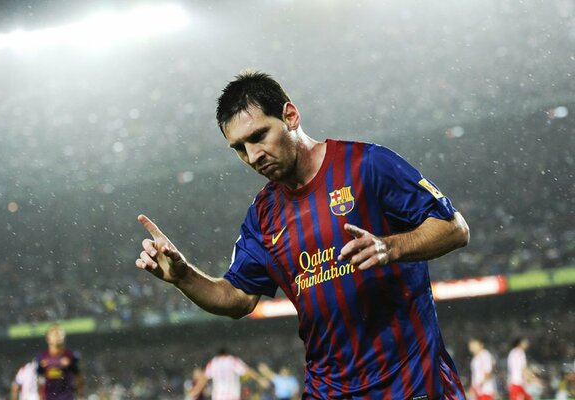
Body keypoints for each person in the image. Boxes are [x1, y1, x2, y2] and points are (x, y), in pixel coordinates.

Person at [135, 70, 470, 399]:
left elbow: (454, 228)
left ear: (290, 116)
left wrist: (391, 246)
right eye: (239, 148)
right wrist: (183, 276)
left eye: (258, 136)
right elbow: (237, 299)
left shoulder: (366, 165)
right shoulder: (263, 215)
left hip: (411, 384)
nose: (252, 156)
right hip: (328, 390)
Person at [188, 348, 267, 400]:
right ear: (227, 353)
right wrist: (259, 379)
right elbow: (247, 371)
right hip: (232, 396)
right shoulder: (232, 360)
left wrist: (196, 390)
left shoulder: (214, 362)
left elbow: (204, 378)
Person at [36, 325, 83, 400]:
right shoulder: (42, 357)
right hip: (49, 397)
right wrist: (39, 396)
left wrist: (80, 395)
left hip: (67, 397)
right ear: (48, 338)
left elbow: (78, 376)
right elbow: (39, 378)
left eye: (60, 334)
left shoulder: (70, 356)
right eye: (55, 334)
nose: (57, 337)